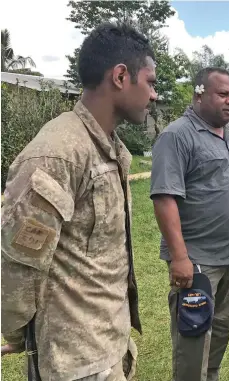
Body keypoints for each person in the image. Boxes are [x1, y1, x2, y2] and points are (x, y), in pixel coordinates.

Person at [1, 22, 157, 380]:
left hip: (106, 344)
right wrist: (15, 329)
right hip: (73, 362)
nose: (153, 94)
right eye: (150, 82)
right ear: (120, 76)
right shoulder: (58, 153)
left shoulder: (109, 148)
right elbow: (17, 260)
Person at [150, 67, 229, 381]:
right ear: (199, 94)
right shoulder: (177, 135)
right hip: (198, 262)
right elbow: (164, 197)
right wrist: (180, 258)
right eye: (223, 94)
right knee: (194, 334)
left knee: (222, 328)